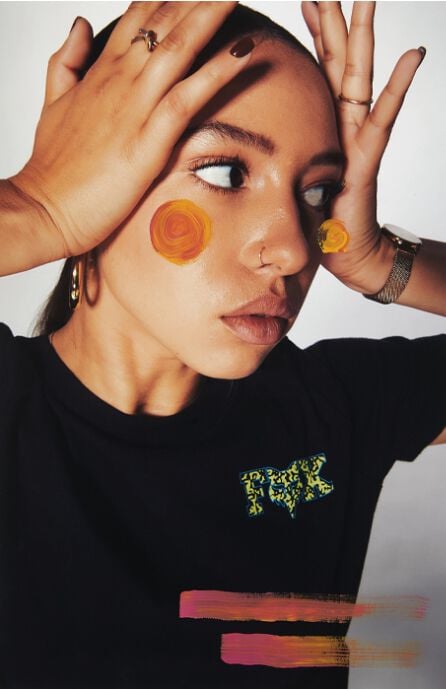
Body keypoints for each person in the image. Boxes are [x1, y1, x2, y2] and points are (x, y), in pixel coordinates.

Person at [0, 2, 445, 688]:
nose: (294, 248)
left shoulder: (334, 408)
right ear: (90, 175)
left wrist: (383, 260)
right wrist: (37, 207)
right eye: (225, 173)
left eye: (318, 191)